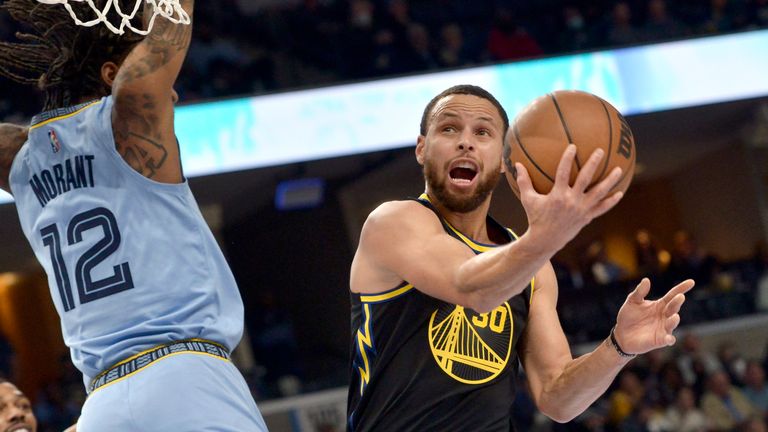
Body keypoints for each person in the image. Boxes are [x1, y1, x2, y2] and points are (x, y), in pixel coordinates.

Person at [347, 84, 695, 431]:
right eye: (448, 128)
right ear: (422, 149)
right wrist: (547, 237)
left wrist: (618, 348)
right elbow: (470, 287)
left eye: (483, 132)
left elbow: (556, 398)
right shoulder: (392, 222)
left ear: (503, 160)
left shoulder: (534, 267)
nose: (465, 141)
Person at [0, 1, 266, 430]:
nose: (170, 94)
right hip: (185, 380)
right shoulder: (129, 116)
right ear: (113, 74)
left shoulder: (17, 158)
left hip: (100, 407)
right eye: (167, 85)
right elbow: (167, 27)